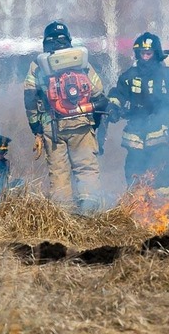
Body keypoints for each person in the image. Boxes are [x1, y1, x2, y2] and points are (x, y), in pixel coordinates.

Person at [23, 21, 108, 210]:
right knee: (86, 168)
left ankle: (64, 217)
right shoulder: (81, 59)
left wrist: (35, 128)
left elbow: (29, 97)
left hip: (52, 127)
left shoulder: (37, 65)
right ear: (68, 40)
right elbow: (98, 93)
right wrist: (94, 123)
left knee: (59, 172)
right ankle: (90, 213)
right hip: (82, 124)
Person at [107, 32, 169, 192]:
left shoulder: (167, 76)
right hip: (135, 134)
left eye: (148, 53)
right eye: (142, 53)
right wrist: (113, 107)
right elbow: (118, 94)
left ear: (156, 53)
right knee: (133, 171)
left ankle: (164, 209)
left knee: (160, 171)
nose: (145, 56)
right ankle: (136, 207)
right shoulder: (129, 75)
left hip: (160, 133)